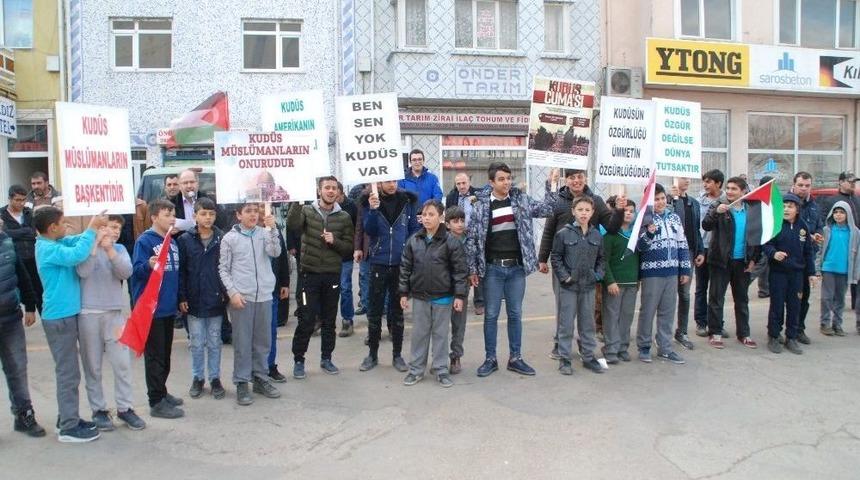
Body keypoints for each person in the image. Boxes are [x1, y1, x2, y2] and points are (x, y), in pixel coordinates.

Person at [465, 162, 559, 377]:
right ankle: (490, 359)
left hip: (516, 268)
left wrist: (552, 185)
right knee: (491, 315)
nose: (506, 182)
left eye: (509, 178)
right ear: (491, 182)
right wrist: (472, 269)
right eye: (501, 179)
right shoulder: (480, 206)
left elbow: (548, 209)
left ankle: (515, 358)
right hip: (492, 270)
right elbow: (471, 239)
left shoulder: (521, 201)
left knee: (515, 314)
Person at [34, 206, 107, 442]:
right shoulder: (46, 249)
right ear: (52, 227)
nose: (66, 226)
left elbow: (74, 241)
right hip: (59, 318)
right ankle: (68, 427)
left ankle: (67, 416)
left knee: (69, 372)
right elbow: (76, 255)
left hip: (65, 315)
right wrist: (92, 229)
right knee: (68, 373)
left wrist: (92, 230)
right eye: (63, 223)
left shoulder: (55, 243)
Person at [538, 168, 623, 359]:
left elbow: (611, 227)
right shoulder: (558, 202)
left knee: (586, 310)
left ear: (585, 178)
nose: (576, 181)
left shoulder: (596, 202)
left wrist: (618, 210)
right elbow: (548, 231)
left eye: (580, 177)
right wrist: (542, 258)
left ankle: (585, 346)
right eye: (572, 177)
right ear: (566, 180)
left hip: (587, 267)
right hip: (563, 266)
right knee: (564, 307)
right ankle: (560, 344)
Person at [76, 215, 146, 431]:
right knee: (93, 365)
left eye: (117, 228)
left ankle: (125, 408)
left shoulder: (121, 249)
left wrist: (110, 250)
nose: (114, 232)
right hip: (88, 313)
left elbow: (126, 271)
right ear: (100, 227)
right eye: (110, 227)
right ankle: (99, 409)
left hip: (114, 313)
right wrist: (95, 246)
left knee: (122, 363)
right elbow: (83, 271)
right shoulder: (85, 246)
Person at [287, 176, 355, 378]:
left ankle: (327, 358)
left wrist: (335, 241)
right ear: (319, 191)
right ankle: (299, 360)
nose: (331, 191)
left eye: (334, 188)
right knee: (306, 319)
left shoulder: (343, 217)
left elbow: (349, 248)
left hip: (332, 275)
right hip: (309, 275)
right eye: (327, 188)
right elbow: (293, 226)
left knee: (328, 320)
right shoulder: (307, 210)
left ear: (338, 192)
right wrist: (298, 201)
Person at [399, 200, 467, 387]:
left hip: (443, 297)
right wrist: (404, 292)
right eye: (424, 215)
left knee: (440, 335)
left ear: (441, 217)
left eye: (431, 214)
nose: (427, 218)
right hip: (420, 296)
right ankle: (415, 370)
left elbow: (460, 271)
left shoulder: (451, 242)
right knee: (419, 334)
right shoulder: (414, 240)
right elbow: (405, 267)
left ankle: (441, 369)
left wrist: (459, 296)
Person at [219, 203, 282, 405]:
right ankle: (242, 382)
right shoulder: (230, 239)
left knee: (263, 342)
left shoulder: (264, 233)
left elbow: (275, 252)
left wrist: (273, 229)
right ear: (239, 215)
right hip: (242, 298)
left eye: (256, 211)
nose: (253, 215)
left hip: (264, 294)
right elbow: (223, 269)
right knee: (243, 343)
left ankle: (261, 378)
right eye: (248, 211)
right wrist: (233, 292)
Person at [358, 180, 420, 372]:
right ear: (379, 182)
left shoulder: (406, 201)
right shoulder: (370, 201)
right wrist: (374, 210)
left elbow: (414, 229)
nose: (391, 184)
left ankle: (397, 355)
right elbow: (369, 230)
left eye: (394, 180)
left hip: (400, 265)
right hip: (378, 263)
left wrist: (406, 249)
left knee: (397, 313)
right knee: (375, 312)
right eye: (387, 181)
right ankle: (372, 355)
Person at [132, 199, 184, 419]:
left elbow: (176, 273)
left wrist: (180, 298)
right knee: (155, 356)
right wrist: (148, 265)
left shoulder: (171, 241)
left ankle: (162, 392)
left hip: (168, 306)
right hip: (151, 307)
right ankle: (155, 401)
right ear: (154, 217)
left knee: (165, 354)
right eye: (166, 214)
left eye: (173, 214)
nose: (171, 218)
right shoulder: (145, 241)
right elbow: (135, 271)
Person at [177, 198, 228, 400]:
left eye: (211, 214)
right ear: (194, 216)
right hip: (194, 300)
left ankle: (215, 378)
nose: (208, 218)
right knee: (196, 342)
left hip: (216, 299)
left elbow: (226, 268)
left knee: (215, 341)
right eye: (203, 214)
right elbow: (181, 271)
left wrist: (225, 292)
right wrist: (182, 296)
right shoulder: (184, 240)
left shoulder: (222, 239)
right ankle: (198, 378)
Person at [702, 176, 760, 350]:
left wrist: (753, 259)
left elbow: (756, 237)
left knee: (741, 299)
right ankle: (715, 332)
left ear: (743, 191)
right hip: (720, 261)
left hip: (742, 262)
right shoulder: (719, 206)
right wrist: (716, 212)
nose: (729, 192)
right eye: (728, 188)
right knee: (716, 298)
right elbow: (706, 225)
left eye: (734, 189)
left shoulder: (751, 210)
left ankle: (744, 334)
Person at [0, 217, 45, 438]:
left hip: (10, 319)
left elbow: (22, 276)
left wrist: (29, 305)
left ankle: (24, 415)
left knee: (17, 368)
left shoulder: (7, 243)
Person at [636, 184, 691, 365]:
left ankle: (665, 348)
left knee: (667, 311)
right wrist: (649, 234)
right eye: (655, 199)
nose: (659, 202)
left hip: (672, 272)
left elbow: (682, 244)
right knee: (648, 310)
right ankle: (644, 347)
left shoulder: (674, 217)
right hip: (652, 272)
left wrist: (684, 269)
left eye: (662, 198)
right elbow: (639, 247)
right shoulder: (643, 219)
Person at [550, 196, 605, 375]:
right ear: (573, 211)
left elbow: (601, 259)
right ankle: (564, 358)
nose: (583, 213)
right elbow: (556, 257)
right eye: (580, 210)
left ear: (592, 213)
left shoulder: (596, 234)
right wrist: (565, 277)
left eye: (587, 210)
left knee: (587, 324)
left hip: (588, 287)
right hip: (569, 287)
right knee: (566, 324)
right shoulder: (563, 234)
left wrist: (597, 275)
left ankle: (588, 356)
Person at [763, 194, 815, 355]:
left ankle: (791, 337)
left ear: (797, 209)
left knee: (795, 306)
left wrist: (812, 273)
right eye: (784, 206)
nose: (786, 209)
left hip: (797, 274)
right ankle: (773, 335)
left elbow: (808, 251)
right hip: (778, 273)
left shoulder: (803, 227)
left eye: (790, 206)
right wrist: (774, 253)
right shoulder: (776, 224)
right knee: (777, 305)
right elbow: (766, 244)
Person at [601, 197, 639, 364]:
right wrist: (609, 281)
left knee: (627, 316)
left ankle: (623, 347)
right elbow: (604, 261)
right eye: (625, 210)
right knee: (611, 316)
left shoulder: (637, 236)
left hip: (631, 283)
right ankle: (611, 349)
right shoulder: (610, 236)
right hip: (614, 284)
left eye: (632, 211)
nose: (629, 213)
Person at [670, 178, 704, 351]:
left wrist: (700, 251)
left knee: (684, 294)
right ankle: (662, 333)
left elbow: (696, 229)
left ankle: (682, 331)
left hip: (688, 253)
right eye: (684, 177)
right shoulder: (667, 201)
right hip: (669, 253)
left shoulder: (694, 203)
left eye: (689, 177)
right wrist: (673, 200)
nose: (688, 180)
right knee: (666, 296)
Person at [790, 172, 824, 344]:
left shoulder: (814, 206)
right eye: (801, 185)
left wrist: (817, 235)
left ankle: (799, 329)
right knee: (783, 298)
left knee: (803, 296)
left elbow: (819, 226)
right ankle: (780, 331)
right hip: (788, 258)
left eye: (807, 185)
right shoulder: (785, 203)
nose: (804, 188)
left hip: (807, 258)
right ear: (794, 184)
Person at [819, 171, 860, 313]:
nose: (853, 184)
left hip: (856, 243)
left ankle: (855, 306)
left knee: (856, 275)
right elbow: (824, 221)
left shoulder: (857, 199)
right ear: (840, 182)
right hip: (837, 248)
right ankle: (827, 319)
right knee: (832, 292)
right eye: (850, 181)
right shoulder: (832, 200)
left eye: (854, 182)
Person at [818, 202, 860, 336]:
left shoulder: (855, 232)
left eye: (842, 212)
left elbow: (857, 253)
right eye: (835, 212)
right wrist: (818, 268)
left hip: (845, 270)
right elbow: (820, 250)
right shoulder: (827, 230)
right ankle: (825, 323)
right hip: (829, 267)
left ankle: (837, 324)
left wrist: (855, 272)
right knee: (826, 297)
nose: (838, 215)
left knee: (840, 299)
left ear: (848, 215)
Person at [445, 173, 484, 315]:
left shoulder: (478, 194)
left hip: (475, 235)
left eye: (464, 183)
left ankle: (479, 302)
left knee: (476, 267)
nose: (461, 186)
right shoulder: (451, 197)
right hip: (457, 236)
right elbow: (449, 215)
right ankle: (459, 297)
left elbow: (482, 214)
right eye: (458, 184)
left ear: (469, 182)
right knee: (458, 266)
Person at [1, 185, 42, 313]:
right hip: (14, 259)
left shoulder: (28, 212)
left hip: (32, 257)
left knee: (39, 291)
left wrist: (18, 233)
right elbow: (5, 234)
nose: (21, 203)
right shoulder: (2, 214)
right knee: (16, 291)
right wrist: (24, 231)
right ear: (10, 199)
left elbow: (33, 233)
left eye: (23, 199)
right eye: (18, 200)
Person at [694, 169, 725, 337]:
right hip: (703, 248)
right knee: (701, 287)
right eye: (704, 181)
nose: (705, 185)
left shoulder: (728, 200)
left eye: (709, 181)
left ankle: (717, 323)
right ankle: (701, 322)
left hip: (721, 250)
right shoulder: (699, 202)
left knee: (718, 289)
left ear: (718, 183)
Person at [263, 204, 290, 382]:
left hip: (271, 290)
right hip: (250, 293)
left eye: (261, 207)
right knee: (253, 334)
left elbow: (282, 257)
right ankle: (254, 370)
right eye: (252, 208)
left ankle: (270, 366)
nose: (258, 212)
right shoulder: (240, 234)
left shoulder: (274, 230)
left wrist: (284, 283)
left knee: (271, 331)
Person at [444, 206, 469, 374]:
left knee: (459, 324)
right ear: (447, 224)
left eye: (462, 221)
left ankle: (456, 356)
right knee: (440, 325)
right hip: (443, 287)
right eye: (455, 221)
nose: (459, 224)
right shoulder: (443, 240)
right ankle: (439, 357)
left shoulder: (469, 239)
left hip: (462, 288)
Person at [337, 182, 358, 337]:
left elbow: (358, 229)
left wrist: (357, 248)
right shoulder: (320, 208)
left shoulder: (352, 207)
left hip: (345, 253)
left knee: (345, 287)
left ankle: (347, 320)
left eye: (334, 191)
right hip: (326, 256)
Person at [750, 176, 775, 300]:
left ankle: (764, 289)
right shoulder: (757, 199)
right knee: (762, 262)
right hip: (758, 235)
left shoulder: (770, 199)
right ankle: (745, 282)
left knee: (766, 263)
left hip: (767, 235)